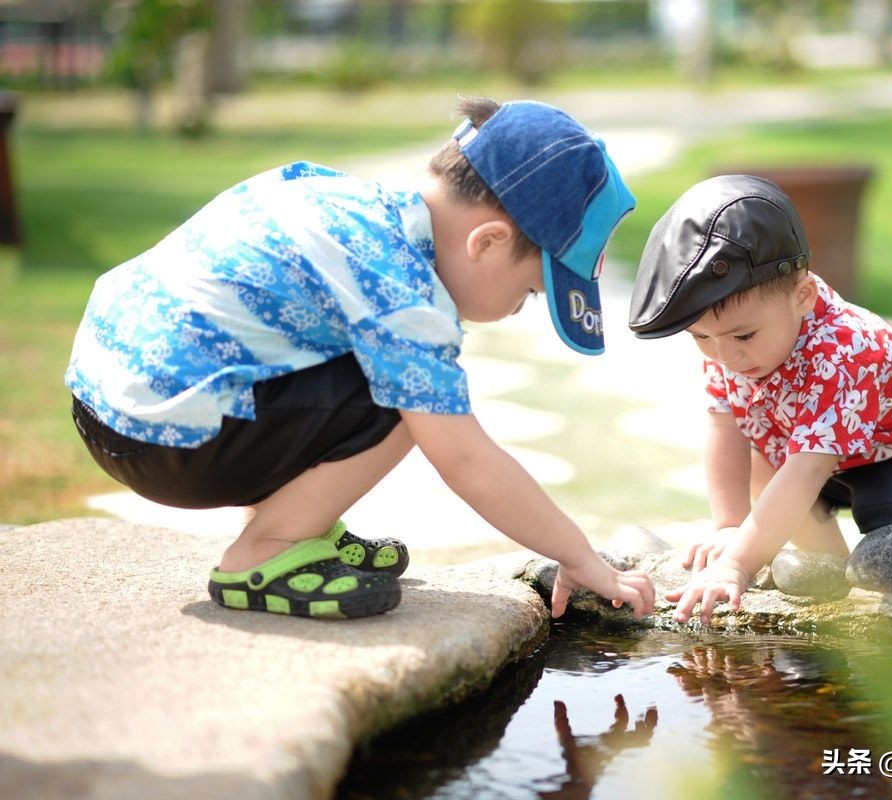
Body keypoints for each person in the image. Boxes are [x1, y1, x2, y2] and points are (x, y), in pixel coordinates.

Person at [66, 97, 656, 622]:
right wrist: (579, 556)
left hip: (109, 402)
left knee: (378, 368)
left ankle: (300, 525)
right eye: (529, 293)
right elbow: (465, 460)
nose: (516, 310)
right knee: (411, 402)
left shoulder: (344, 200)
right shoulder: (401, 291)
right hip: (166, 441)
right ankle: (265, 552)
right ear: (488, 242)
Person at [628, 174, 892, 624]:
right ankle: (831, 581)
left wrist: (737, 564)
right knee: (764, 459)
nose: (726, 355)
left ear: (802, 295)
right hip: (844, 453)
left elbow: (809, 468)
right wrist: (730, 526)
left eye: (743, 335)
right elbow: (724, 426)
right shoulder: (732, 345)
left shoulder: (843, 350)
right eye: (701, 337)